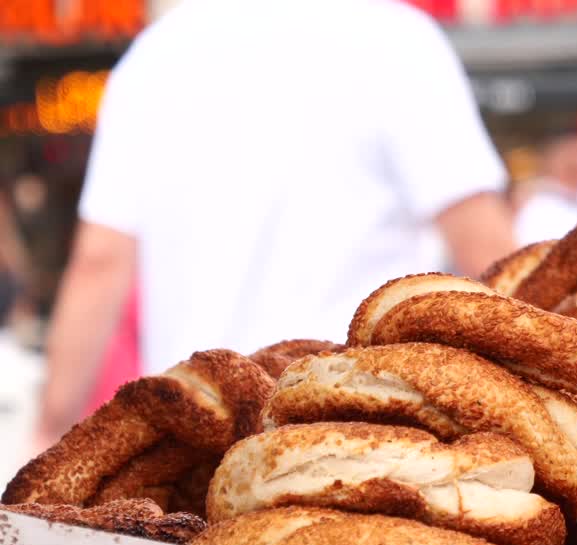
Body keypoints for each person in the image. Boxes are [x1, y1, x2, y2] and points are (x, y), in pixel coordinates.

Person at [32, 0, 517, 451]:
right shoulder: (392, 38)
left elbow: (99, 266)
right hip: (361, 432)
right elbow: (490, 254)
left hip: (195, 433)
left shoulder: (157, 55)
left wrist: (51, 430)